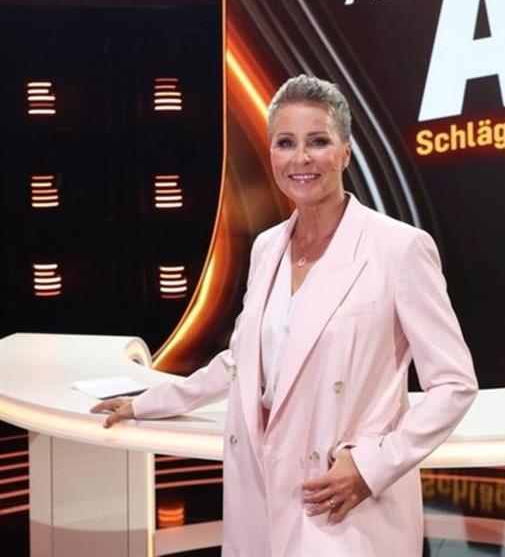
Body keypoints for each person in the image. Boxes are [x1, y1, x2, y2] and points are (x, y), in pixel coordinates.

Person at [91, 74, 478, 556]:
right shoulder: (266, 247)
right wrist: (148, 403)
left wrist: (371, 467)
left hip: (342, 500)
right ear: (271, 152)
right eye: (286, 143)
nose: (301, 158)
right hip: (260, 488)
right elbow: (242, 362)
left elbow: (455, 384)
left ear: (346, 152)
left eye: (318, 141)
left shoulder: (399, 248)